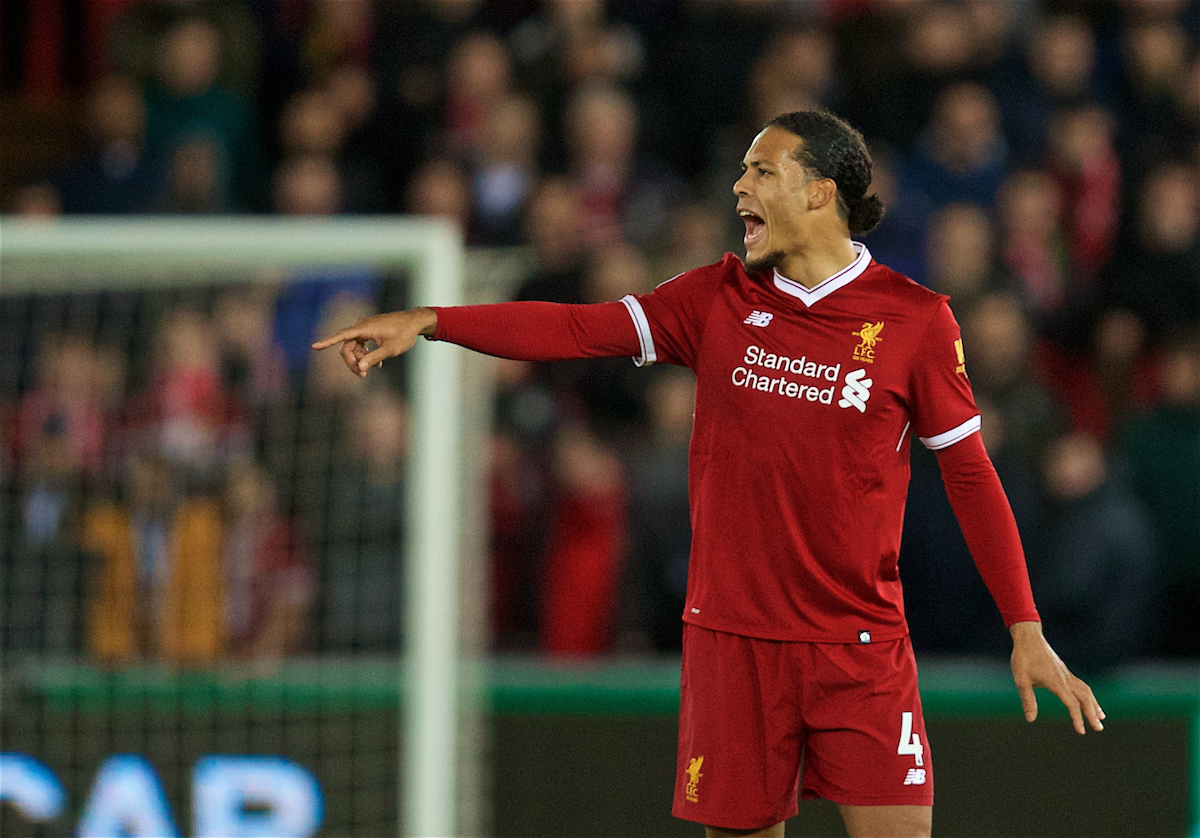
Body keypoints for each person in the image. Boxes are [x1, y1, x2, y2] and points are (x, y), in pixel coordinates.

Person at [313, 110, 1103, 838]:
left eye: (762, 172)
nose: (739, 187)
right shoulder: (716, 298)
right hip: (733, 642)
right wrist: (433, 322)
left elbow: (971, 477)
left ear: (820, 193)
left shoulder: (915, 319)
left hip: (857, 645)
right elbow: (579, 330)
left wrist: (1024, 627)